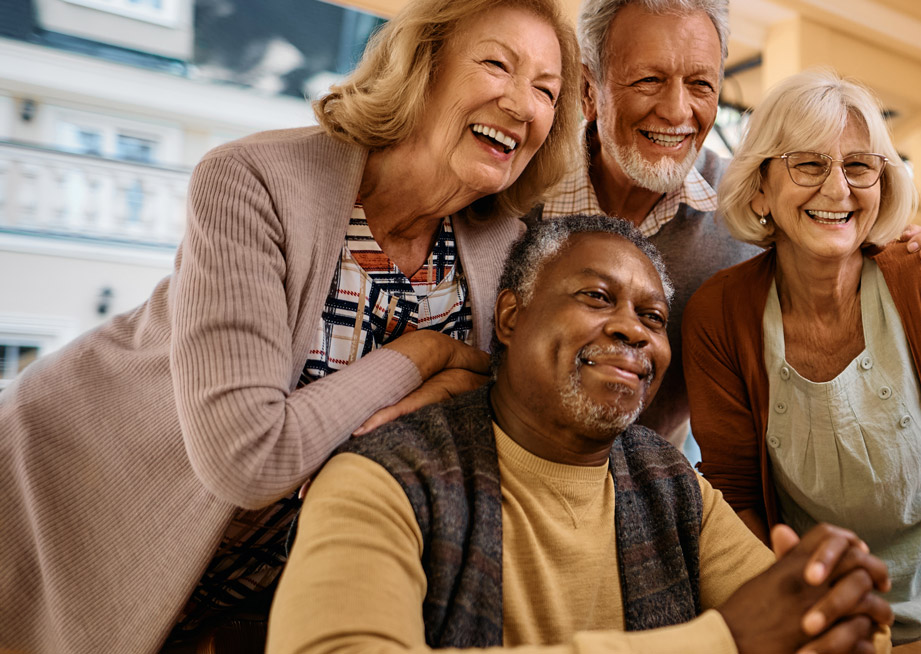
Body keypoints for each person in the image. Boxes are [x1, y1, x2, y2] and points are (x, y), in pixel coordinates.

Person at [0, 0, 583, 651]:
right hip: (81, 493)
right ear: (424, 68)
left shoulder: (504, 249)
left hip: (263, 588)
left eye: (546, 90)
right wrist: (418, 357)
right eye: (497, 65)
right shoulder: (254, 180)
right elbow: (249, 457)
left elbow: (488, 414)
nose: (522, 105)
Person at [267, 215, 893, 654]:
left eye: (652, 316)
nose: (634, 331)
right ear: (511, 317)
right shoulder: (382, 478)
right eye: (597, 297)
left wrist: (843, 603)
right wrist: (721, 643)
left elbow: (802, 620)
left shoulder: (670, 482)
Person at [684, 69, 921, 645]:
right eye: (808, 164)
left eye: (858, 166)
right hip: (826, 622)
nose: (838, 190)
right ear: (759, 187)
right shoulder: (719, 313)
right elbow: (736, 497)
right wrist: (798, 618)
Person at [529, 0, 921, 448]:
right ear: (589, 90)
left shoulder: (755, 201)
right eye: (650, 80)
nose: (676, 111)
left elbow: (845, 234)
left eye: (701, 84)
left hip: (650, 487)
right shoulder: (517, 187)